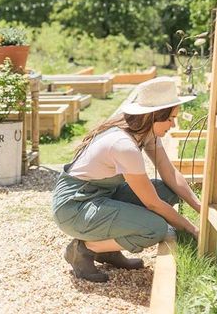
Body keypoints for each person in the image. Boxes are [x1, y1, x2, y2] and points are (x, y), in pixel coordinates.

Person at [52, 76, 201, 282]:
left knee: (166, 190)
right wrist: (193, 229)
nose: (173, 124)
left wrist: (201, 208)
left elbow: (170, 173)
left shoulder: (144, 132)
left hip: (102, 196)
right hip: (74, 208)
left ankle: (108, 250)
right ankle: (84, 249)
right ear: (154, 116)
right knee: (155, 228)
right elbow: (153, 204)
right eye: (170, 118)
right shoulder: (123, 145)